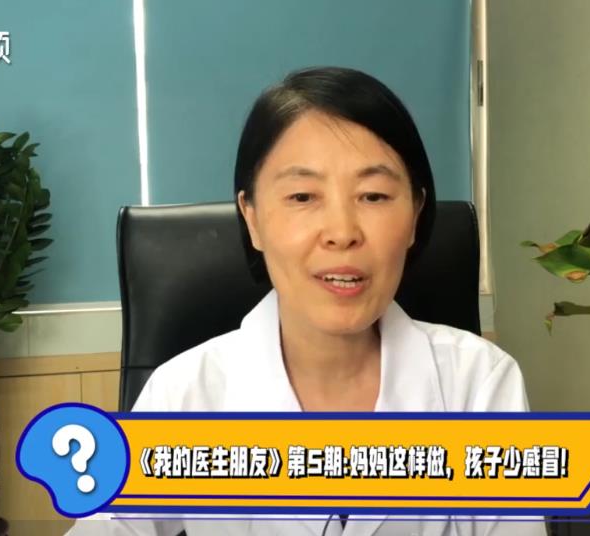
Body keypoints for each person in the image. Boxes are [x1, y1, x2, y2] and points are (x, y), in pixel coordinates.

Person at [68, 67, 546, 535]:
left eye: (374, 196)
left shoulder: (478, 384)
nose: (342, 232)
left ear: (416, 215)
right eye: (302, 196)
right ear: (251, 218)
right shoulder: (185, 395)